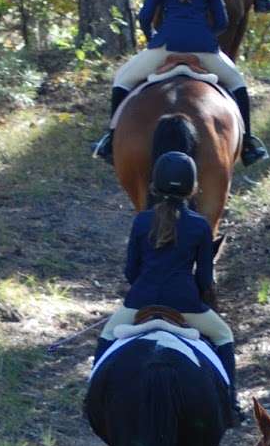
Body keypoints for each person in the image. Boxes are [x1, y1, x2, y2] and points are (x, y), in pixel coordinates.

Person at [92, 0, 269, 168]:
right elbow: (222, 21)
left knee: (121, 80)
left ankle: (109, 141)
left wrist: (152, 39)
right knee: (237, 84)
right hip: (204, 49)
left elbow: (145, 17)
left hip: (165, 46)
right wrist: (208, 39)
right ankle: (249, 144)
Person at [98, 151, 244, 425]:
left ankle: (92, 398)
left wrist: (145, 287)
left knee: (107, 334)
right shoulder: (200, 226)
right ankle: (230, 401)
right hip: (185, 305)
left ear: (155, 185)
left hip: (141, 301)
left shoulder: (141, 221)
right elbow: (204, 279)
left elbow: (131, 271)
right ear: (192, 188)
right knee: (224, 335)